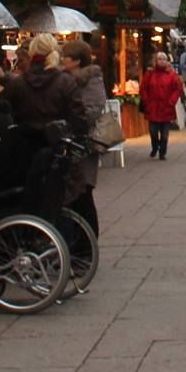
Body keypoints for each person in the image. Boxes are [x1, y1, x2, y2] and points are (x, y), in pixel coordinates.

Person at [57, 38, 105, 234]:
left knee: (84, 192)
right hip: (71, 143)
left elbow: (93, 110)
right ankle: (78, 238)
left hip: (85, 144)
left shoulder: (91, 79)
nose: (62, 60)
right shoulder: (66, 80)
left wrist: (72, 119)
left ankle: (88, 240)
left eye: (65, 57)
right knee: (73, 194)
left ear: (77, 61)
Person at [1, 33, 78, 130]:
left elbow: (3, 111)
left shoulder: (18, 83)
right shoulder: (67, 82)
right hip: (58, 137)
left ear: (31, 53)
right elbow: (78, 119)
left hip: (25, 137)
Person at [139, 51, 184, 160]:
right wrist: (146, 101)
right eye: (159, 59)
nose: (162, 61)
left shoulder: (172, 75)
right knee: (153, 131)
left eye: (164, 59)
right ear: (156, 61)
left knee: (164, 133)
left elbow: (177, 89)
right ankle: (155, 146)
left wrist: (171, 101)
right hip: (153, 107)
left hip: (166, 107)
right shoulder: (150, 74)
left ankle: (162, 152)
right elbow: (143, 88)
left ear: (167, 61)